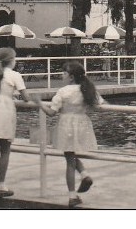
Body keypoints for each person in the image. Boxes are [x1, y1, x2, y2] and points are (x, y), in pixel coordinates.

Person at [39, 62, 102, 209]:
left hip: (66, 124)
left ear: (71, 77)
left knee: (69, 158)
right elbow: (98, 104)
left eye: (64, 73)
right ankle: (84, 174)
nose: (62, 75)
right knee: (71, 155)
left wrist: (39, 104)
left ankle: (72, 195)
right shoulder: (87, 89)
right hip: (82, 123)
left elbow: (51, 112)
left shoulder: (63, 91)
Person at [0, 47, 33, 198]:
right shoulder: (15, 75)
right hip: (5, 111)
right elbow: (26, 97)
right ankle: (1, 185)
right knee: (5, 150)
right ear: (11, 60)